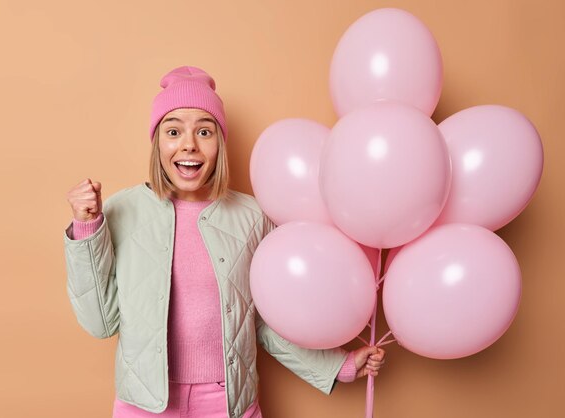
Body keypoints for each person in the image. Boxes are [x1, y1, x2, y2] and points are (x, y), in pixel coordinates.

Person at [63, 66, 385, 418]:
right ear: (157, 142)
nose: (189, 144)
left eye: (204, 131)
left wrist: (335, 367)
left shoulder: (252, 217)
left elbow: (267, 320)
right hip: (142, 405)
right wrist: (87, 228)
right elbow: (101, 322)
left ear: (220, 142)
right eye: (174, 131)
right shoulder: (122, 211)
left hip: (228, 404)